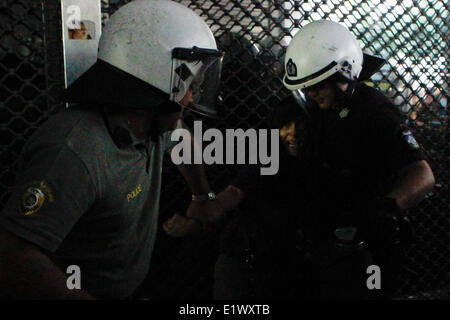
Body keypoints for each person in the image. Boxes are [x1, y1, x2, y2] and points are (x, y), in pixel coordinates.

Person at [0, 0, 224, 299]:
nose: (190, 97)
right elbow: (15, 256)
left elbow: (181, 137)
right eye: (187, 86)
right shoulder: (74, 151)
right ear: (154, 79)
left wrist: (202, 195)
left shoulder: (152, 124)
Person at [282, 20, 435, 298]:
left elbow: (422, 174)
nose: (312, 93)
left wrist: (385, 211)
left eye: (319, 84)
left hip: (368, 242)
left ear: (344, 74)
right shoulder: (322, 109)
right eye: (308, 87)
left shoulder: (375, 111)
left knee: (370, 292)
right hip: (330, 237)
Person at [164, 95, 313, 299]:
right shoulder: (268, 156)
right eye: (286, 125)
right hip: (245, 253)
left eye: (301, 125)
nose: (294, 133)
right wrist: (200, 219)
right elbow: (234, 193)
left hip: (287, 257)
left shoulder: (316, 160)